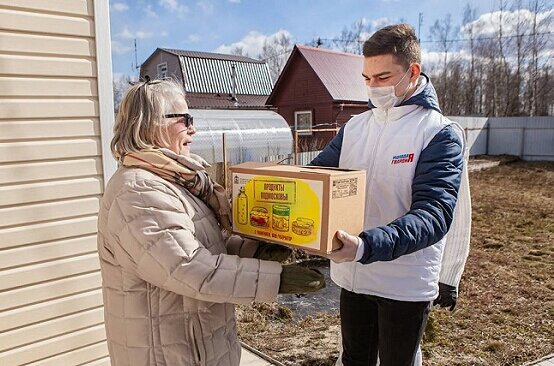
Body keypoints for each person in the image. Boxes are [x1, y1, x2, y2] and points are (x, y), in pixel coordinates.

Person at [97, 79, 324, 366]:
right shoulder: (138, 191)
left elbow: (203, 244)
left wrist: (254, 250)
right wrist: (275, 279)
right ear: (151, 124)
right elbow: (189, 267)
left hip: (197, 343)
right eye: (185, 119)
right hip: (167, 354)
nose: (194, 128)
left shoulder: (174, 180)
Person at [310, 24, 471, 366]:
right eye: (366, 78)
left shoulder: (438, 133)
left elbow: (434, 215)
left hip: (404, 282)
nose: (372, 88)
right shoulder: (355, 128)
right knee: (355, 358)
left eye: (382, 77)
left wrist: (367, 245)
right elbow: (314, 176)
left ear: (413, 72)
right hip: (353, 275)